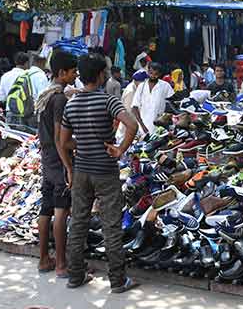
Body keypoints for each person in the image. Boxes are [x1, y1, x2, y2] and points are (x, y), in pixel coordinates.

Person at [58, 54, 139, 291]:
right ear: (101, 75)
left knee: (79, 222)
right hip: (105, 170)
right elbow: (132, 125)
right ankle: (117, 280)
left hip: (82, 170)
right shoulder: (107, 101)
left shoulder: (71, 104)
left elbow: (64, 142)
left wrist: (83, 143)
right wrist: (119, 149)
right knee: (111, 224)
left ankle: (75, 276)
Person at [35, 49, 78, 277]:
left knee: (46, 208)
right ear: (62, 72)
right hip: (59, 160)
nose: (75, 76)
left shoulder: (47, 95)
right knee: (61, 210)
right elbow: (61, 138)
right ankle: (62, 264)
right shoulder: (59, 99)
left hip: (47, 159)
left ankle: (44, 259)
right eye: (72, 72)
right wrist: (69, 167)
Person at [132, 63, 174, 135]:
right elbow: (134, 107)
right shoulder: (141, 86)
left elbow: (172, 104)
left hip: (159, 128)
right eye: (151, 73)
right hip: (142, 128)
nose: (153, 76)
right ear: (148, 71)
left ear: (160, 74)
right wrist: (142, 125)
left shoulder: (165, 86)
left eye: (156, 74)